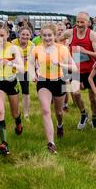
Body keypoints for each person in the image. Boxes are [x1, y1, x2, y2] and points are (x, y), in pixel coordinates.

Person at [28, 23, 77, 152]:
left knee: (59, 112)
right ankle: (51, 143)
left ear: (55, 36)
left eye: (50, 35)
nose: (47, 38)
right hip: (43, 81)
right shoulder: (37, 49)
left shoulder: (62, 49)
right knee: (45, 110)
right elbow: (30, 63)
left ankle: (60, 125)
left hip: (59, 81)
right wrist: (33, 74)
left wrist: (61, 64)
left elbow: (74, 68)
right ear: (41, 36)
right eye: (44, 35)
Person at [0, 23, 24, 155]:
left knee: (14, 113)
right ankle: (4, 144)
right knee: (0, 111)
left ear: (7, 34)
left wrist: (10, 63)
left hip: (11, 82)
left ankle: (18, 122)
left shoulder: (14, 49)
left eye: (2, 35)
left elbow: (22, 68)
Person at [59, 12, 96, 130]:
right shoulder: (70, 33)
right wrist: (64, 49)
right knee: (75, 93)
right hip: (76, 69)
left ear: (88, 23)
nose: (79, 24)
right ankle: (83, 114)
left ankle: (94, 117)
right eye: (77, 21)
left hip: (90, 70)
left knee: (93, 98)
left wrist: (84, 51)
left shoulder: (92, 35)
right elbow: (57, 41)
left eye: (82, 22)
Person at [12, 26, 35, 120]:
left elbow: (32, 60)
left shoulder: (32, 45)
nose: (25, 36)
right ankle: (15, 111)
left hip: (24, 70)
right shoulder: (13, 43)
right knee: (13, 91)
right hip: (13, 69)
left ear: (30, 35)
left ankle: (26, 114)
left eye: (27, 35)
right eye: (23, 34)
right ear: (19, 34)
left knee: (25, 91)